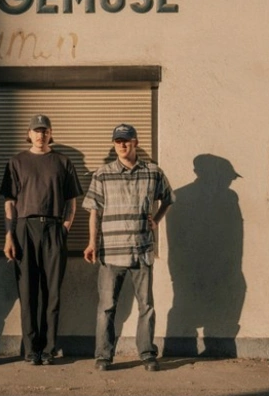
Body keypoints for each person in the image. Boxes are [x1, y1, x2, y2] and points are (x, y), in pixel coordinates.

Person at [82, 123, 174, 372]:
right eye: (118, 141)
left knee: (146, 306)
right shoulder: (102, 174)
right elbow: (94, 211)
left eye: (126, 140)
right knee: (106, 307)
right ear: (114, 145)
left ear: (136, 142)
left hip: (141, 250)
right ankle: (103, 356)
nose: (122, 145)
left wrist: (157, 219)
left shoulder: (153, 172)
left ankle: (147, 354)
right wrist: (91, 242)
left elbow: (168, 198)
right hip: (111, 252)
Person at [0, 114, 83, 365]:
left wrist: (65, 227)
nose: (41, 135)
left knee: (52, 293)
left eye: (45, 130)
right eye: (36, 130)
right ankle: (30, 349)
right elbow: (9, 202)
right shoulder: (17, 162)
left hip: (54, 228)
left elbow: (71, 201)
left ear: (50, 133)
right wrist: (9, 235)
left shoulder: (62, 162)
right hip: (25, 228)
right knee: (27, 292)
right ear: (29, 134)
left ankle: (48, 349)